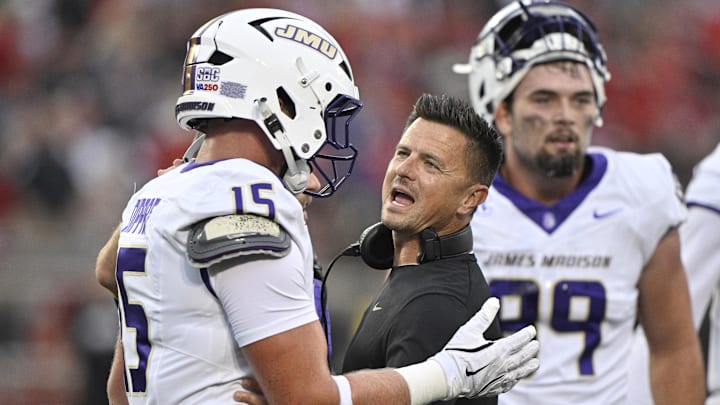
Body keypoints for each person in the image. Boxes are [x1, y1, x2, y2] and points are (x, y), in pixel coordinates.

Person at [100, 8, 540, 404]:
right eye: (321, 103)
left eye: (430, 163)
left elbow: (118, 380)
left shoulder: (159, 194)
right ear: (282, 98)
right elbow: (308, 399)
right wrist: (447, 374)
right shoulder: (255, 201)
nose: (325, 130)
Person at [452, 1, 704, 404]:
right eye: (545, 99)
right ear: (502, 112)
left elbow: (673, 347)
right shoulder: (455, 199)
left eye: (581, 99)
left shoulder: (641, 192)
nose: (566, 115)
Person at [341, 93, 503, 405]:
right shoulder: (417, 275)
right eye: (403, 153)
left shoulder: (436, 303)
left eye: (431, 164)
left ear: (471, 199)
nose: (405, 169)